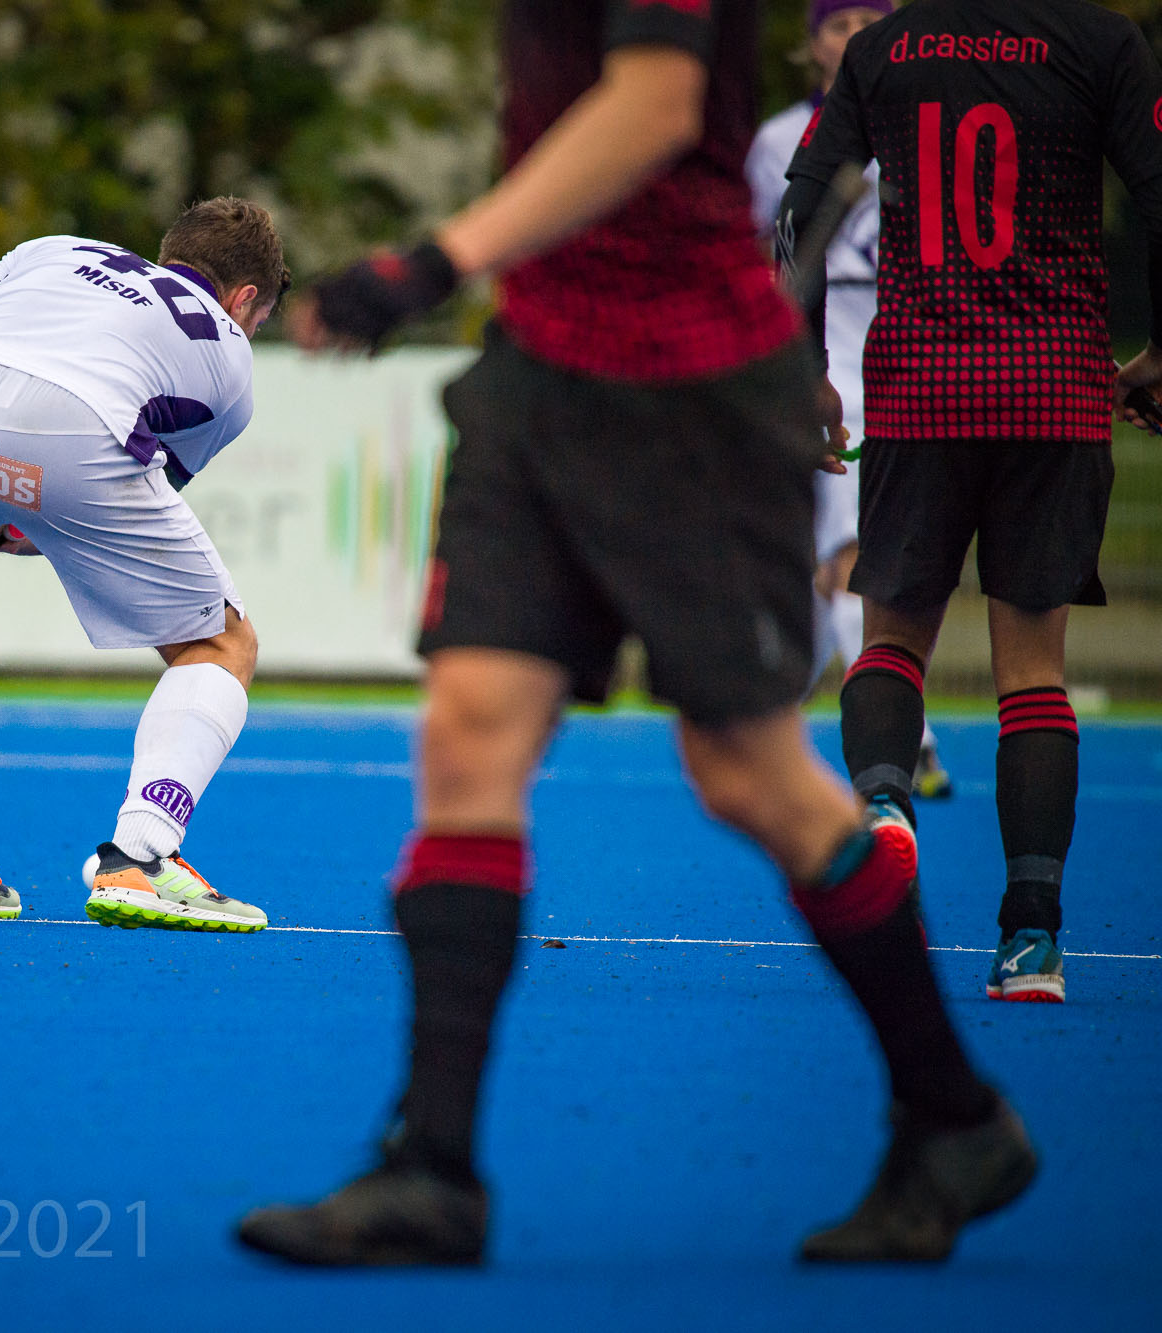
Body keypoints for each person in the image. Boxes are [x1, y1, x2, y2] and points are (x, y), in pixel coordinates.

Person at [236, 0, 1032, 1268]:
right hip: (536, 376)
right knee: (468, 732)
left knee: (747, 773)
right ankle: (432, 1171)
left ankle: (953, 1116)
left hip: (691, 389)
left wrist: (431, 259)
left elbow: (653, 108)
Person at [779, 0, 1162, 1004]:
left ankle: (881, 805)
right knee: (1032, 677)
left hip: (920, 383)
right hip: (1055, 385)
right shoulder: (1100, 41)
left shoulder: (883, 47)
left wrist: (807, 373)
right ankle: (1031, 938)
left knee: (890, 642)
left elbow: (800, 210)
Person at [0, 198, 288, 932]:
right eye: (258, 318)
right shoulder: (227, 349)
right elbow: (127, 483)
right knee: (220, 642)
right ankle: (140, 857)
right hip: (70, 429)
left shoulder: (51, 248)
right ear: (245, 298)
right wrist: (24, 520)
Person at [745, 0, 954, 800]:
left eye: (874, 16)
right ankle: (912, 740)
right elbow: (764, 246)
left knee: (853, 557)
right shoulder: (777, 141)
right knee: (846, 555)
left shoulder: (929, 122)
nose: (857, 34)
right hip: (825, 363)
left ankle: (761, 705)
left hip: (909, 360)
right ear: (811, 44)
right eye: (839, 22)